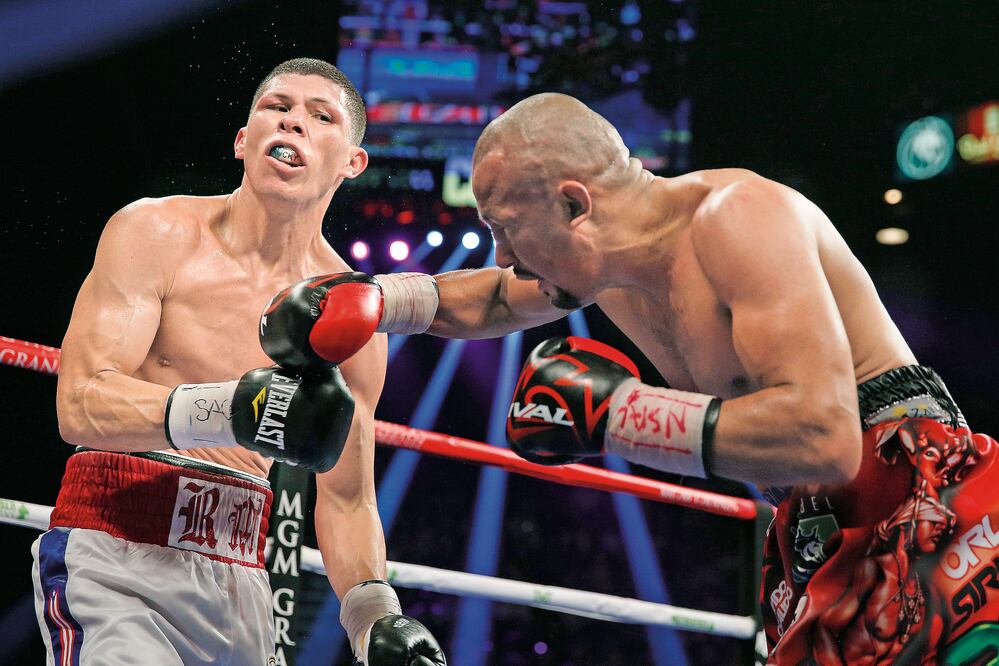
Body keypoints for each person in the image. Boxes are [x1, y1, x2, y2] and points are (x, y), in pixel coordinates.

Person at [282, 93, 999, 663]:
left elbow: (825, 438)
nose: (498, 248)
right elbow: (496, 296)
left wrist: (619, 416)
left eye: (504, 225)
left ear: (573, 204)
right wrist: (371, 298)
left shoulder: (739, 218)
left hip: (915, 489)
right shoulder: (605, 268)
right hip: (811, 519)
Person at [35, 58, 445, 665]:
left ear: (353, 163)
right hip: (116, 556)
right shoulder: (156, 231)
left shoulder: (352, 315)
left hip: (241, 579)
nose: (294, 122)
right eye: (276, 108)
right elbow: (80, 404)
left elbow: (345, 498)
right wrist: (228, 410)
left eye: (320, 115)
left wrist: (373, 618)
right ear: (244, 140)